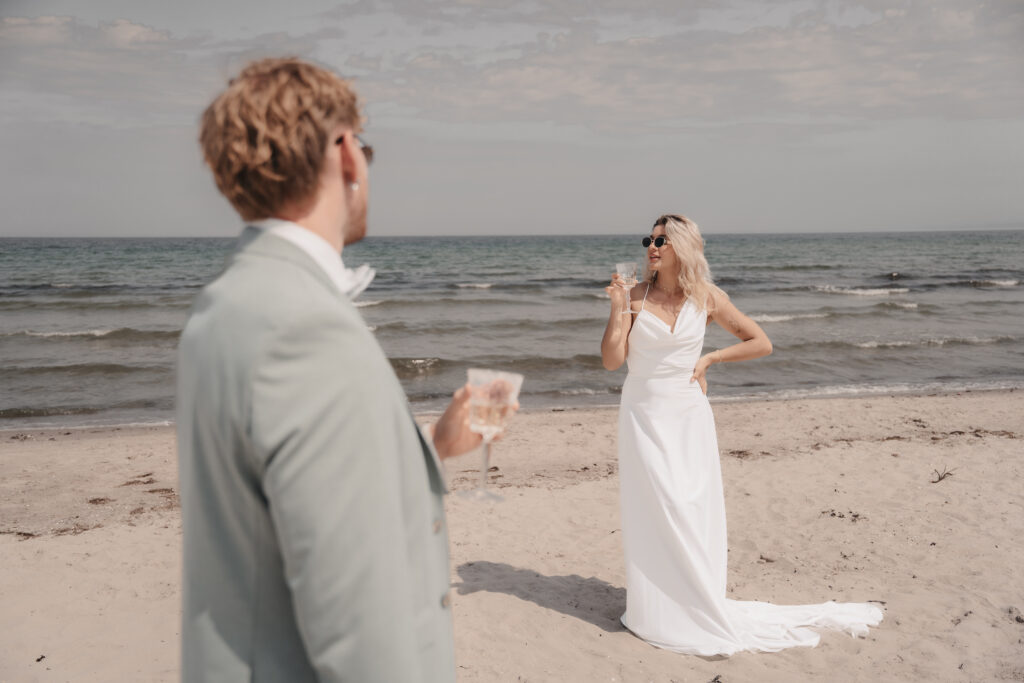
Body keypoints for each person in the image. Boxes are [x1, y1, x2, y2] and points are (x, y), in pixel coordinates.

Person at [176, 57, 482, 682]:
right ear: (345, 153)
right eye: (364, 148)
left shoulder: (225, 306)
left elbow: (295, 490)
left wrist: (430, 446)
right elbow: (358, 622)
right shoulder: (304, 327)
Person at [600, 214, 883, 655]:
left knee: (690, 509)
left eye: (662, 240)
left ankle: (696, 600)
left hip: (689, 415)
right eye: (648, 239)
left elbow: (760, 341)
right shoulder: (634, 296)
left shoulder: (707, 297)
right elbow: (612, 361)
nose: (652, 246)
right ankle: (654, 609)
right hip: (643, 415)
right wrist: (618, 309)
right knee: (655, 509)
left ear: (682, 246)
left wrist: (711, 359)